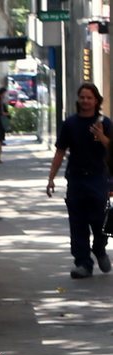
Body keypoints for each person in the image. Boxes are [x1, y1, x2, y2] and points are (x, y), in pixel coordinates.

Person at [47, 82, 113, 279]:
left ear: (96, 101)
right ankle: (83, 263)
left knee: (100, 221)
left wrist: (101, 135)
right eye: (82, 97)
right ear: (78, 99)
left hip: (98, 179)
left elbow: (111, 149)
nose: (85, 101)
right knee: (78, 224)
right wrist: (51, 178)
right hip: (76, 179)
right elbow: (60, 151)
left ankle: (99, 249)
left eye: (89, 97)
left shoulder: (105, 123)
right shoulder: (70, 124)